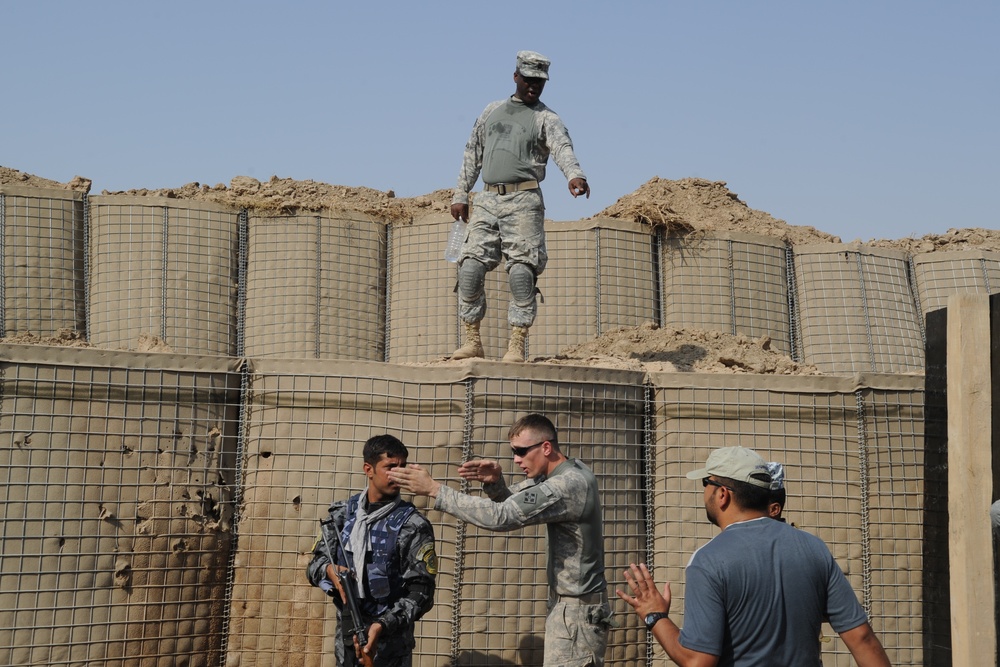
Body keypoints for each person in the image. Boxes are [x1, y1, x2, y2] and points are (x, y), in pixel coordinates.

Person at [616, 446, 892, 667]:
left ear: (722, 494)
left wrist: (655, 616)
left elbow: (698, 660)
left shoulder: (708, 561)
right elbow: (862, 638)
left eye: (706, 483)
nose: (704, 492)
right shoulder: (814, 547)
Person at [388, 413, 612, 666]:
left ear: (546, 447)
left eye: (521, 451)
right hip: (571, 609)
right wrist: (496, 484)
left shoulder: (568, 484)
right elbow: (516, 501)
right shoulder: (565, 472)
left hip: (576, 613)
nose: (516, 459)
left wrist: (434, 490)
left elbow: (501, 516)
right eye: (513, 452)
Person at [449, 50, 591, 362]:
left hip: (524, 201)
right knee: (470, 268)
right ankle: (472, 340)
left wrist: (575, 175)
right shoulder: (492, 111)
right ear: (516, 76)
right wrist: (460, 194)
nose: (533, 87)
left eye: (539, 82)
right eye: (528, 80)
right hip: (486, 199)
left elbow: (562, 148)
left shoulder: (546, 118)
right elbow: (472, 152)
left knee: (521, 273)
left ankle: (516, 344)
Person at [306, 434, 438, 667]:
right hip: (347, 640)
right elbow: (314, 565)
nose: (398, 474)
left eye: (402, 467)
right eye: (390, 467)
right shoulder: (342, 515)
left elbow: (422, 592)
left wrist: (382, 625)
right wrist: (329, 570)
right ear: (369, 469)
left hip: (391, 646)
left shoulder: (413, 525)